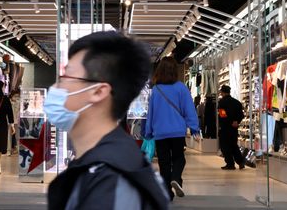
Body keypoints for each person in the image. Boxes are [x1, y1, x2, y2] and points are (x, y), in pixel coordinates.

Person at [46, 32, 170, 210]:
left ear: (98, 91)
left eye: (66, 77)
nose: (57, 87)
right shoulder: (108, 164)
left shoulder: (109, 180)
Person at [144, 56, 201, 200]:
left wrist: (148, 131)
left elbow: (151, 112)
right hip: (177, 131)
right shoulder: (181, 88)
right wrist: (194, 128)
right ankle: (176, 178)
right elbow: (189, 109)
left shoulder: (156, 90)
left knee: (164, 162)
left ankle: (167, 193)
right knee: (179, 158)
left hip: (160, 132)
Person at [217, 84, 246, 170]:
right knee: (234, 145)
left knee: (225, 146)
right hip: (234, 128)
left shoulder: (221, 103)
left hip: (225, 128)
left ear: (222, 92)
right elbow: (241, 115)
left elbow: (222, 115)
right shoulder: (237, 102)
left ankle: (230, 164)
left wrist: (229, 123)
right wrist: (236, 122)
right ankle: (241, 162)